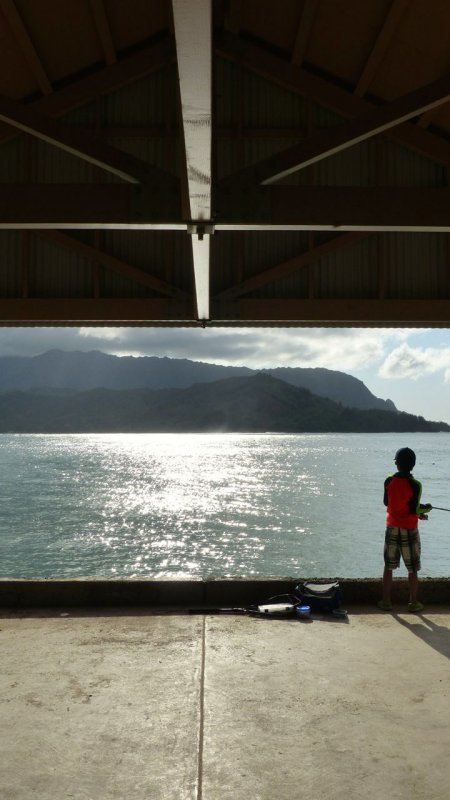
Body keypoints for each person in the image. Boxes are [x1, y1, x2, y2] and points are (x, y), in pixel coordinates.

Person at [377, 447, 432, 613]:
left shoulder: (388, 481)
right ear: (413, 465)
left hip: (392, 527)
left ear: (396, 463)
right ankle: (413, 602)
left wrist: (418, 511)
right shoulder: (416, 485)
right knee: (413, 568)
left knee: (388, 566)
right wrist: (426, 509)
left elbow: (387, 503)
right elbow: (414, 509)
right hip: (409, 529)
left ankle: (386, 601)